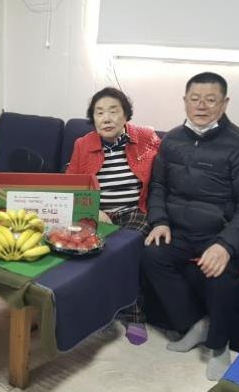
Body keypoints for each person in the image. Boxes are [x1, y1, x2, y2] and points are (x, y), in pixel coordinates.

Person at [142, 72, 239, 381]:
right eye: (195, 99)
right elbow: (158, 187)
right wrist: (159, 221)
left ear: (224, 103)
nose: (202, 106)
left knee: (219, 271)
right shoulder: (172, 140)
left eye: (210, 100)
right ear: (184, 101)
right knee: (151, 254)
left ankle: (219, 346)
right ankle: (196, 324)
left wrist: (226, 245)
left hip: (220, 233)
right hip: (179, 231)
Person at [66, 87, 161, 345]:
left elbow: (163, 176)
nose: (106, 118)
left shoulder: (145, 138)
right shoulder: (83, 144)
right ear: (93, 119)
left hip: (134, 211)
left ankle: (135, 316)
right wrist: (93, 210)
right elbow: (71, 186)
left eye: (113, 111)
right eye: (99, 113)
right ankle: (100, 312)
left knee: (125, 249)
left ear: (126, 115)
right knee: (88, 249)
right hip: (98, 213)